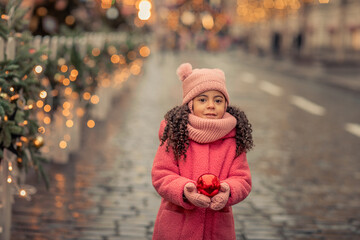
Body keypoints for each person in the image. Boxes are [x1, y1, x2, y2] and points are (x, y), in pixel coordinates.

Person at [151, 63, 254, 240]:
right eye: (202, 99)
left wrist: (227, 190)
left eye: (218, 100)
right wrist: (184, 190)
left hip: (217, 230)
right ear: (190, 104)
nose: (211, 105)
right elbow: (161, 175)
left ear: (225, 105)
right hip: (176, 229)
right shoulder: (176, 134)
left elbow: (242, 179)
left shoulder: (233, 139)